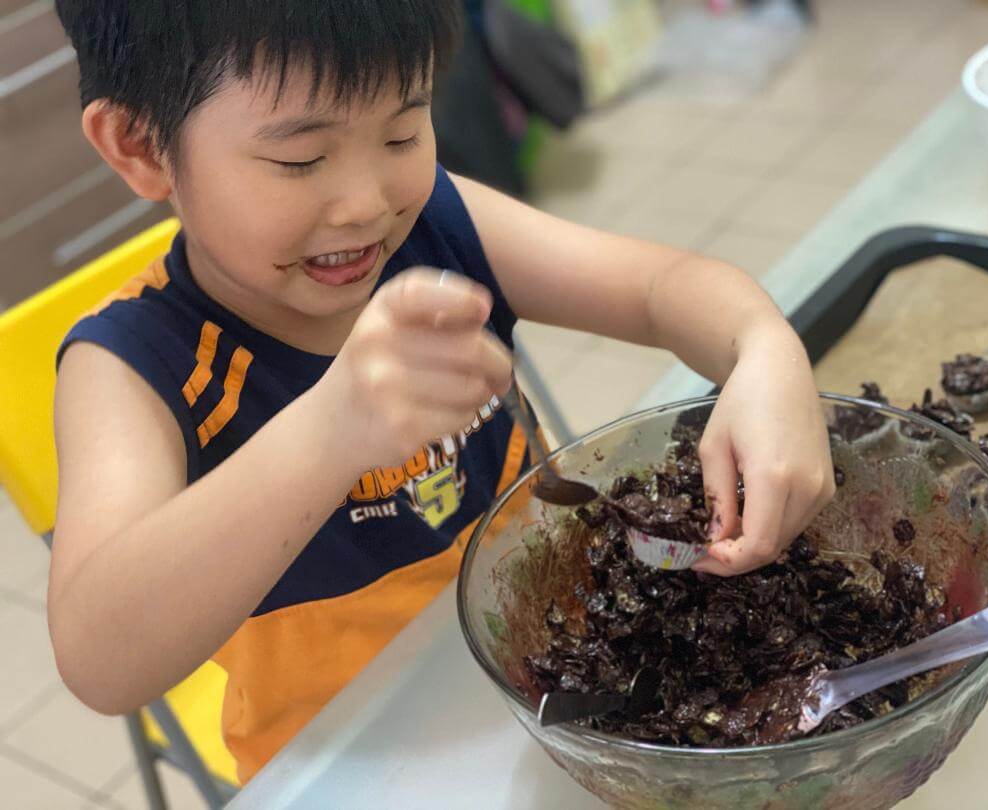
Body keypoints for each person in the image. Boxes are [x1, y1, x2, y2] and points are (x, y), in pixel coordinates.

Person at [48, 0, 833, 782]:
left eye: (401, 132)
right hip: (354, 756)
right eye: (300, 159)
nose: (368, 204)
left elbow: (663, 287)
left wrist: (764, 349)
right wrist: (331, 430)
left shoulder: (440, 227)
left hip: (563, 678)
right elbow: (102, 658)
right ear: (142, 145)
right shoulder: (130, 363)